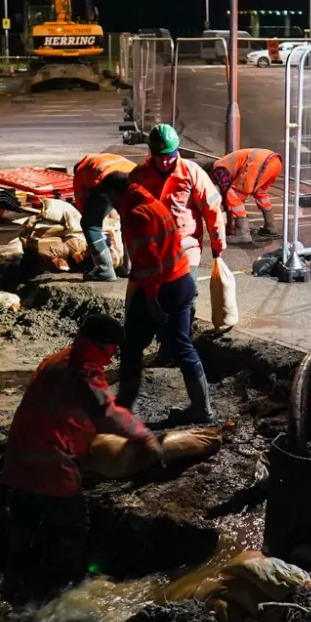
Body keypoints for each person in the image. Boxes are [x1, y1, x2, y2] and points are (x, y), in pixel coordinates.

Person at [2, 314, 161, 595]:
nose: (113, 356)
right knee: (73, 523)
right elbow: (107, 413)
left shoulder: (56, 360)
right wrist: (144, 436)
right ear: (102, 345)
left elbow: (62, 412)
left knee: (24, 519)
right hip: (49, 463)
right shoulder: (84, 371)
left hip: (17, 456)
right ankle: (65, 588)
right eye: (113, 348)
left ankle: (16, 577)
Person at [97, 162, 219, 425]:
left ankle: (123, 410)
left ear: (116, 194)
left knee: (133, 347)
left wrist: (152, 298)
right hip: (181, 280)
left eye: (108, 199)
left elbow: (150, 260)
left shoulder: (136, 214)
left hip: (161, 287)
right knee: (181, 344)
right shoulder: (152, 203)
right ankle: (202, 408)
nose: (110, 206)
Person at [129, 124, 225, 269]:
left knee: (185, 289)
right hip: (151, 246)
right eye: (160, 156)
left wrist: (217, 246)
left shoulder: (192, 172)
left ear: (176, 150)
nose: (165, 162)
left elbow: (212, 210)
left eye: (169, 156)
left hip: (186, 244)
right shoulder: (139, 175)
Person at [72, 152, 135, 282]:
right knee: (129, 221)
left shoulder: (80, 172)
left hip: (109, 180)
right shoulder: (102, 159)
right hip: (136, 178)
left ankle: (104, 269)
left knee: (90, 224)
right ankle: (129, 267)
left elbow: (83, 207)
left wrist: (97, 237)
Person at [212, 147, 282, 241]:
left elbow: (227, 197)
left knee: (233, 195)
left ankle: (242, 233)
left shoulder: (218, 169)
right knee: (261, 194)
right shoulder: (226, 162)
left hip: (259, 163)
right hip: (275, 162)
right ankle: (270, 227)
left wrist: (229, 226)